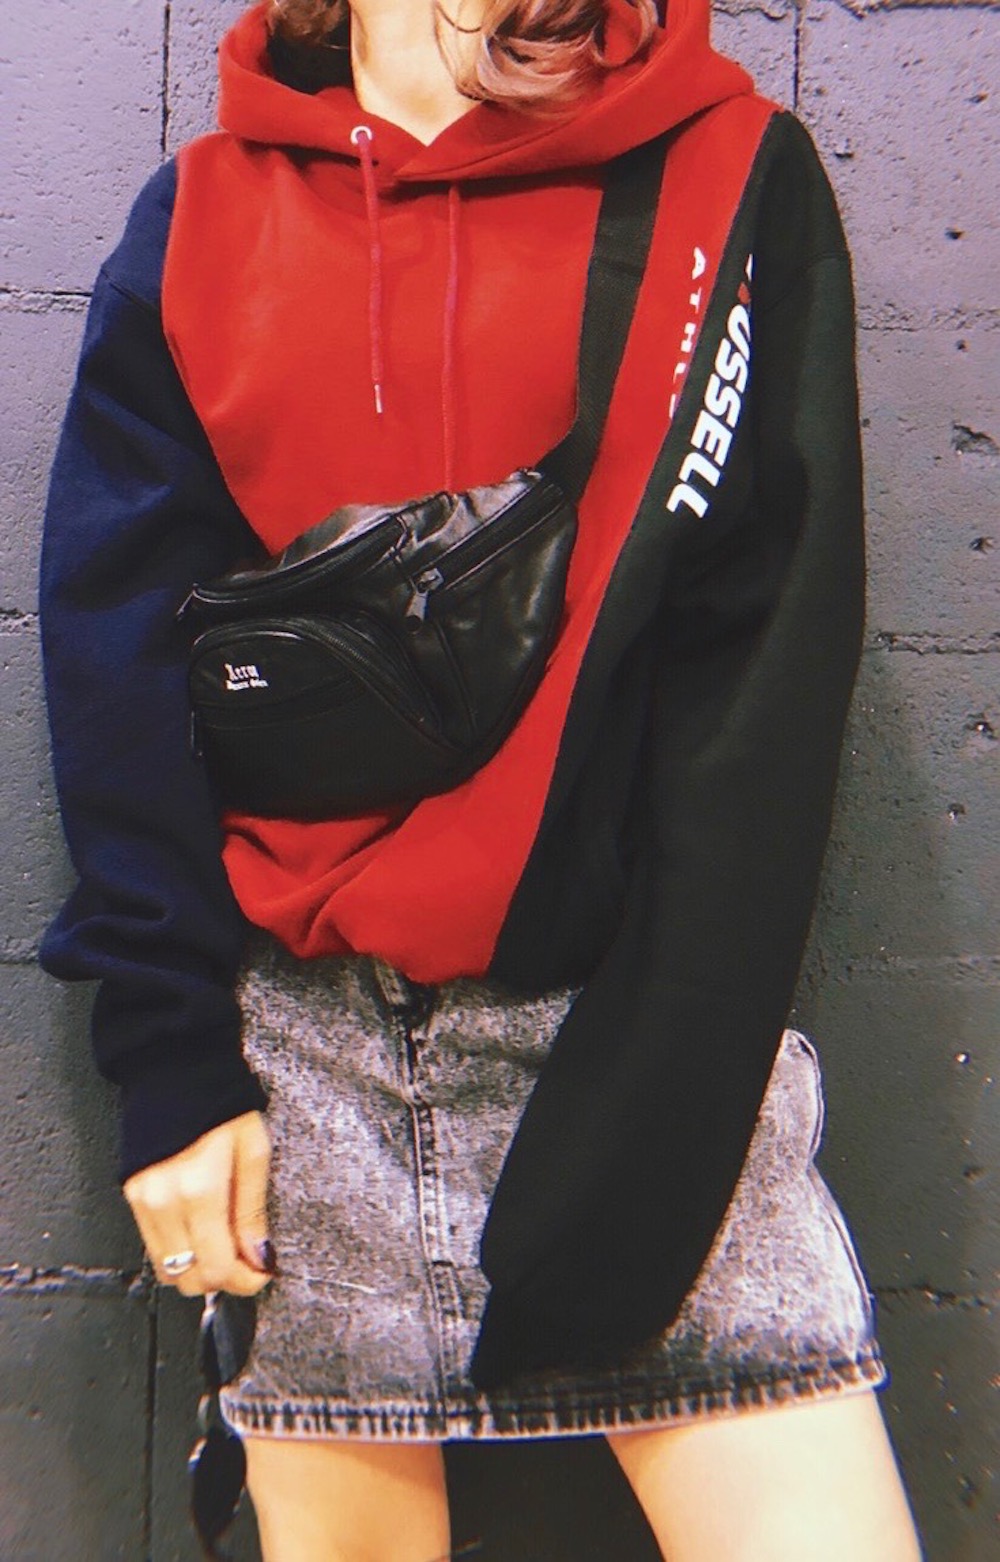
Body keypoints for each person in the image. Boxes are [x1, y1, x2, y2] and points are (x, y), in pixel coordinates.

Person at [39, 0, 925, 1557]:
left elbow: (763, 675)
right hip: (308, 1059)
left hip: (639, 1030)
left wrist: (665, 1074)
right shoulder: (202, 217)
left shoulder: (722, 172)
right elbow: (117, 665)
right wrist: (170, 1063)